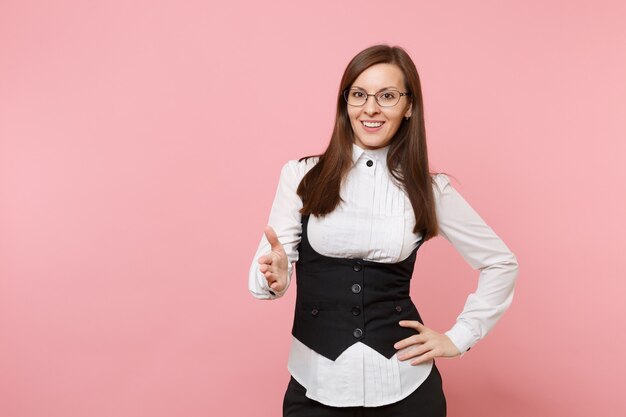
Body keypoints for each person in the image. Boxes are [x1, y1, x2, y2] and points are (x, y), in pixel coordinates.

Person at [248, 44, 519, 417]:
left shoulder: (430, 189)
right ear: (346, 103)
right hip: (315, 386)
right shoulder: (300, 174)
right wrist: (274, 276)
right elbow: (267, 271)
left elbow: (501, 263)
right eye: (359, 94)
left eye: (387, 96)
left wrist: (459, 338)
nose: (370, 108)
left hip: (406, 388)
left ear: (409, 107)